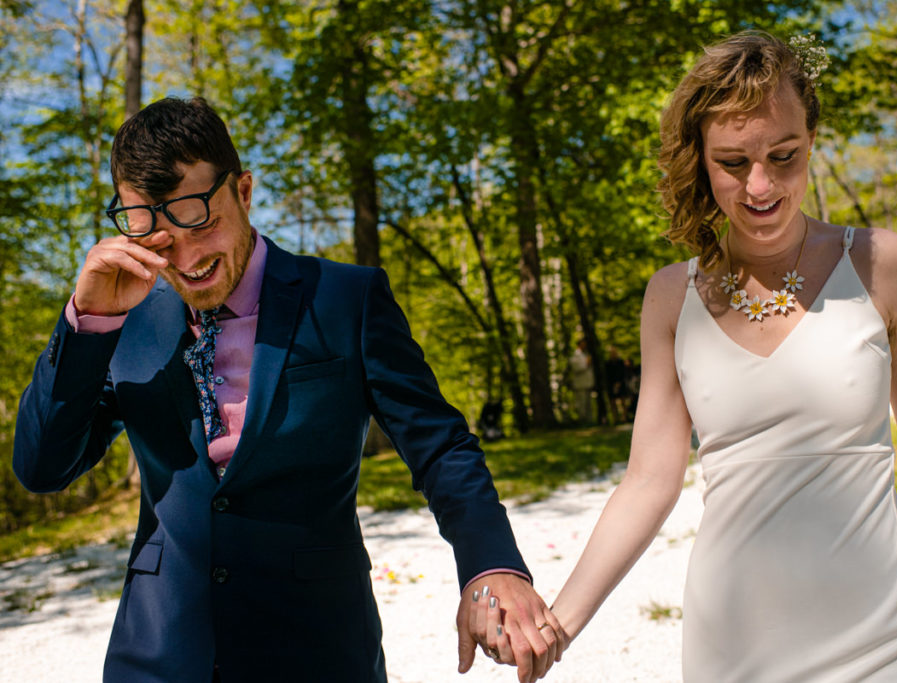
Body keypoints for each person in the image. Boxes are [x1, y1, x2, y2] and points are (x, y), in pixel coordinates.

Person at [483, 32, 897, 681]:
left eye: (783, 155)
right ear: (702, 160)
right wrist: (557, 624)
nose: (760, 184)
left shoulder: (880, 263)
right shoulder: (670, 297)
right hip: (735, 647)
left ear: (812, 138)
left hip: (885, 635)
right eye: (733, 162)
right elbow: (649, 482)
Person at [12, 97, 566, 683]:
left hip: (319, 651)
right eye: (157, 239)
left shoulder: (346, 299)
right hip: (158, 657)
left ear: (243, 193)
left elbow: (440, 446)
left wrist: (491, 567)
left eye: (200, 221)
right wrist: (88, 321)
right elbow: (43, 467)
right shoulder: (119, 322)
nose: (188, 258)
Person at [568, 339, 595, 424]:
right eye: (583, 344)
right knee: (581, 404)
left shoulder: (586, 354)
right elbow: (576, 369)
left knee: (588, 404)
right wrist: (586, 364)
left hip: (587, 383)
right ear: (579, 345)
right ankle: (582, 421)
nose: (585, 346)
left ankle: (590, 421)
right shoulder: (575, 356)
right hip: (580, 384)